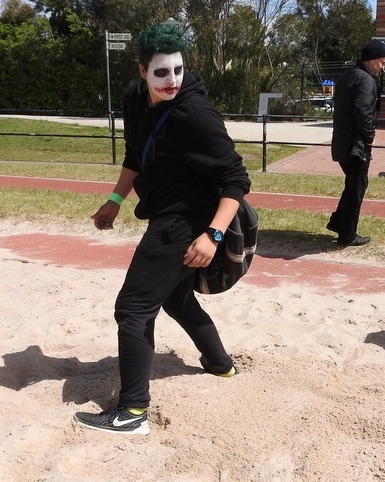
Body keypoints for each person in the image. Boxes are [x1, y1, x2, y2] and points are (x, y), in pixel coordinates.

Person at [73, 23, 251, 435]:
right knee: (177, 300)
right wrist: (115, 201)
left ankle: (132, 411)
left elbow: (236, 180)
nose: (172, 80)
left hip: (187, 221)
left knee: (132, 309)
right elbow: (136, 153)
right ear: (141, 72)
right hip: (165, 213)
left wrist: (213, 235)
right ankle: (221, 365)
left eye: (178, 70)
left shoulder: (196, 115)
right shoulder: (136, 99)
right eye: (161, 73)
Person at [327, 39, 385, 246]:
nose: (383, 67)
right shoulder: (365, 80)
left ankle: (339, 222)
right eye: (381, 62)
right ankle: (347, 234)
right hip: (356, 144)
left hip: (343, 141)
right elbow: (363, 111)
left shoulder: (347, 76)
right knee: (357, 186)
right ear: (370, 61)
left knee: (354, 184)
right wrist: (369, 135)